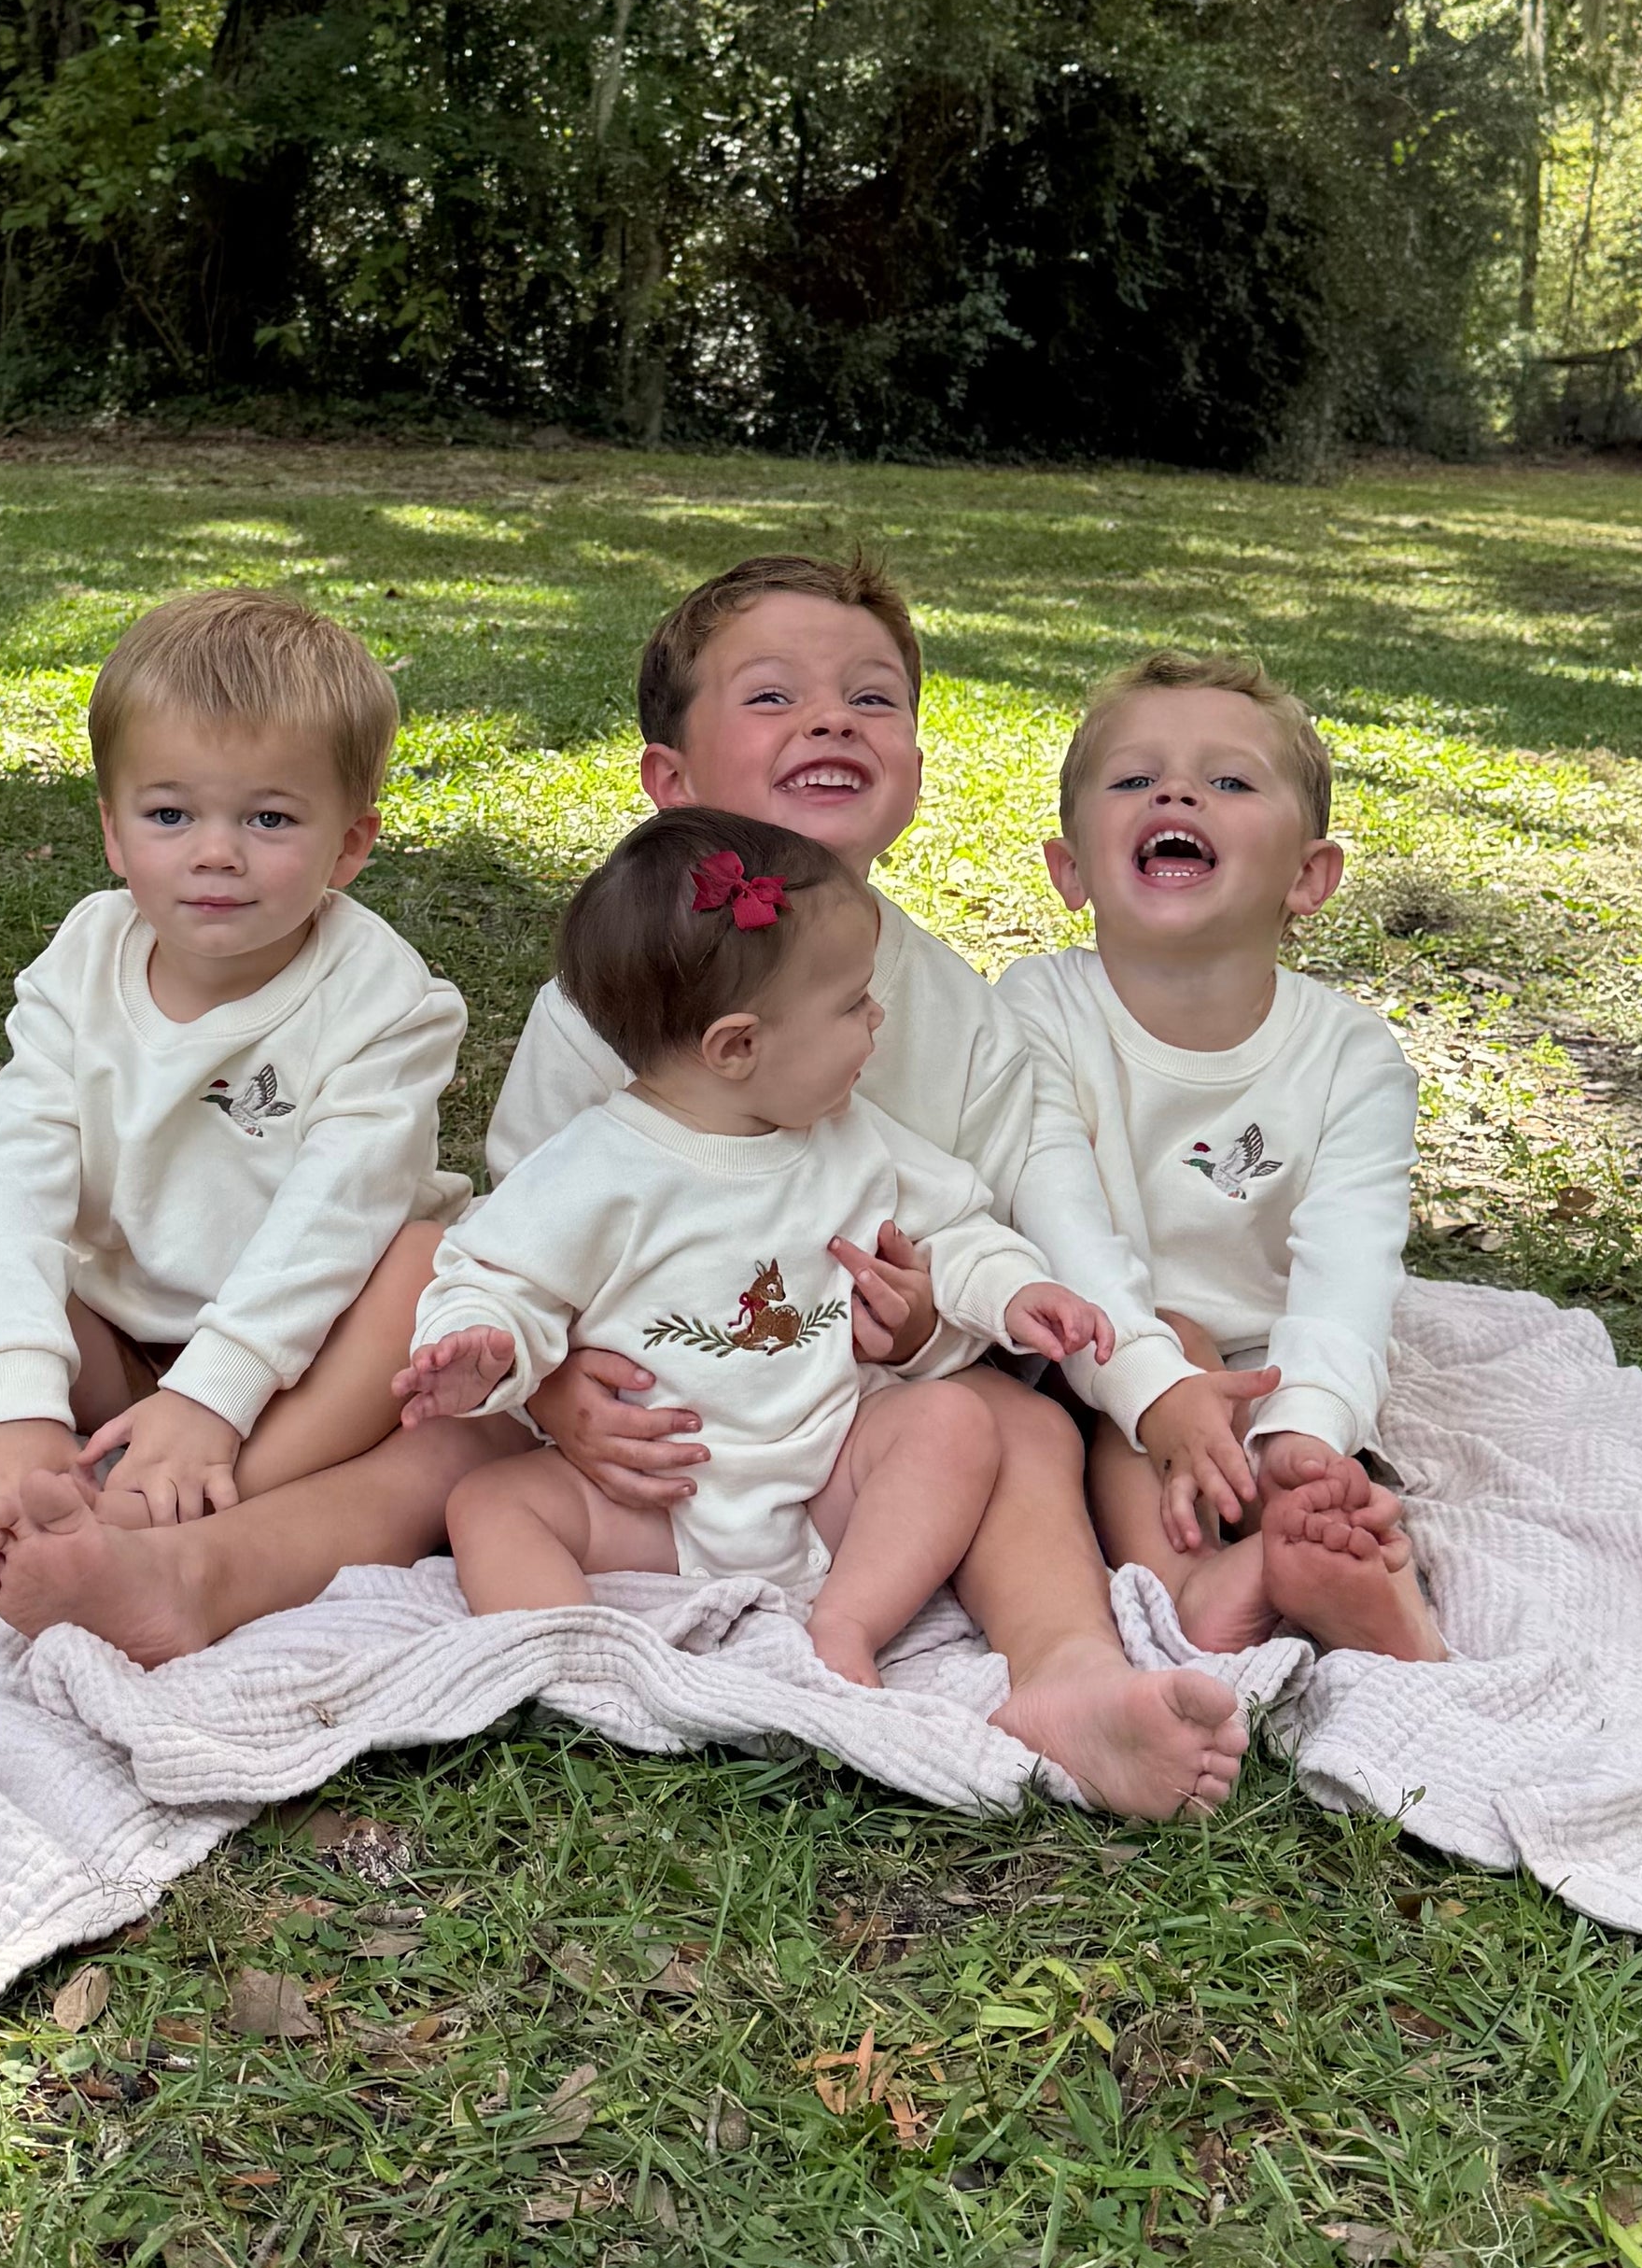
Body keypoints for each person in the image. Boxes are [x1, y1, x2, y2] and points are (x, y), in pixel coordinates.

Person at [472, 551, 1246, 1816]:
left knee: (1019, 1428)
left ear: (917, 770)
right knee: (479, 1481)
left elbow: (1006, 1225)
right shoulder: (610, 1001)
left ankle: (1061, 1674)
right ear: (671, 782)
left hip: (855, 1443)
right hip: (653, 1447)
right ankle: (573, 1672)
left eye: (873, 699)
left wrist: (944, 1320)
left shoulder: (956, 1018)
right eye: (772, 697)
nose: (832, 719)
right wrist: (551, 1384)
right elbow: (521, 1223)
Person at [0, 587, 497, 1611]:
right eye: (170, 813)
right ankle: (7, 1484)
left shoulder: (386, 998)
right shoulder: (82, 961)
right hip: (117, 1331)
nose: (215, 851)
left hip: (304, 1365)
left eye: (269, 817)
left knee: (426, 1267)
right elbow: (25, 1169)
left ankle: (143, 1516)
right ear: (113, 828)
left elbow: (337, 1214)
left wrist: (214, 1396)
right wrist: (12, 1395)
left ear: (349, 845)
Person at [396, 811, 1116, 1686]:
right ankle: (580, 1670)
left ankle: (846, 1624)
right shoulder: (596, 1167)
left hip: (830, 1483)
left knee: (954, 1423)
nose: (876, 1015)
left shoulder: (853, 1138)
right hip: (655, 1504)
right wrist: (484, 1342)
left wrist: (1011, 1292)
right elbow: (495, 1273)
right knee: (489, 1503)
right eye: (853, 1003)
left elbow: (957, 1229)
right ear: (737, 1045)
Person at [997, 647, 1442, 1659]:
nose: (1178, 788)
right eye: (1133, 777)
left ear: (1308, 876)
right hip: (1085, 1342)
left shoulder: (1353, 1055)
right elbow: (1055, 1208)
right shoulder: (1038, 1008)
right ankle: (1196, 1579)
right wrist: (1160, 1385)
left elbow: (1350, 1261)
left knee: (1333, 1477)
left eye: (1230, 780)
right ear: (1070, 870)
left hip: (1262, 1361)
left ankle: (1362, 1582)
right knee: (1150, 1367)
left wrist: (1305, 1426)